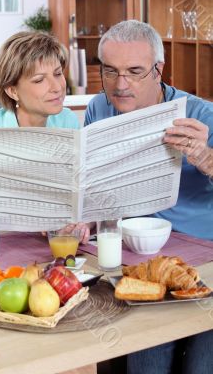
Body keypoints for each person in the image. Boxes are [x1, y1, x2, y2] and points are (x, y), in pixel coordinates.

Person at [85, 20, 213, 374]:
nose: (120, 84)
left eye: (134, 72)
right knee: (145, 361)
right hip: (133, 261)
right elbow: (93, 181)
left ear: (159, 70)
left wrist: (204, 157)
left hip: (201, 262)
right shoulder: (99, 108)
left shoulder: (201, 115)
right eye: (110, 71)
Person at [0, 31, 90, 244]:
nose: (57, 87)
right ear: (13, 91)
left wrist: (79, 222)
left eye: (58, 73)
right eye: (40, 79)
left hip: (47, 249)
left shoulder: (66, 121)